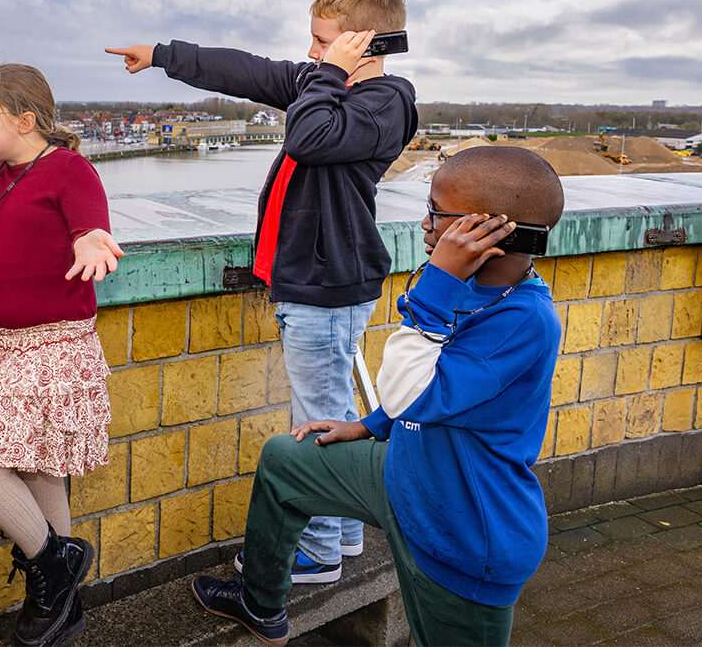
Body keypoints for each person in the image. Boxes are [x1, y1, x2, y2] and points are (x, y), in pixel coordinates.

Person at [106, 0, 419, 585]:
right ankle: (347, 534)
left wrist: (329, 75)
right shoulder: (324, 84)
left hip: (326, 288)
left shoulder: (385, 101)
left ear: (365, 43)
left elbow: (308, 139)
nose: (308, 53)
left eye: (322, 40)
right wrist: (164, 55)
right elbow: (249, 71)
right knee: (333, 409)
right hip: (320, 282)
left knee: (315, 416)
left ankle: (319, 552)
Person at [190, 146, 566, 647]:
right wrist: (371, 426)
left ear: (490, 230)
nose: (426, 223)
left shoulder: (524, 321)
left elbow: (415, 386)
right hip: (408, 476)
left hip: (463, 535)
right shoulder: (472, 291)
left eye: (438, 212)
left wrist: (440, 282)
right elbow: (430, 390)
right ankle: (260, 602)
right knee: (287, 460)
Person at [0, 62, 124, 647]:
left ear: (26, 119)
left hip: (53, 345)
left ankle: (52, 564)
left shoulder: (67, 168)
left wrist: (91, 238)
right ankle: (63, 606)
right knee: (42, 471)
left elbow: (91, 222)